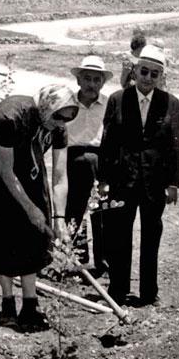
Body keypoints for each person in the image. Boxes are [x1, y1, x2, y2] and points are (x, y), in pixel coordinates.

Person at [0, 85, 77, 330]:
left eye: (68, 118)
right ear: (46, 107)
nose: (62, 123)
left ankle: (30, 302)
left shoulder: (58, 127)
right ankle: (7, 301)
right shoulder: (11, 117)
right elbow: (6, 172)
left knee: (34, 234)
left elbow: (60, 176)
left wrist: (59, 218)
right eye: (59, 116)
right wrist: (30, 209)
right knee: (1, 234)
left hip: (28, 167)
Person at [97, 44, 179, 307]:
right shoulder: (117, 99)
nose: (148, 78)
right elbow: (107, 143)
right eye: (144, 71)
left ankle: (148, 292)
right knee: (119, 234)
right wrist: (103, 180)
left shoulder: (170, 103)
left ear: (161, 77)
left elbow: (174, 145)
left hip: (154, 183)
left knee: (151, 235)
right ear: (135, 70)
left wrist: (173, 183)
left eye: (155, 74)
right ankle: (118, 290)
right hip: (123, 180)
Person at [65, 55, 113, 269]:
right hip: (72, 159)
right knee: (73, 208)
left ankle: (102, 259)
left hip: (99, 159)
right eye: (87, 78)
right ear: (78, 80)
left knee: (101, 209)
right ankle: (76, 256)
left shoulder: (108, 105)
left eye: (96, 80)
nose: (91, 84)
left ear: (102, 83)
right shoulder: (67, 103)